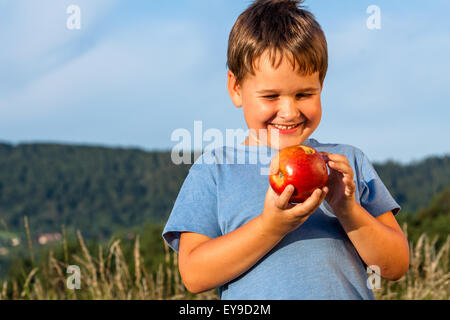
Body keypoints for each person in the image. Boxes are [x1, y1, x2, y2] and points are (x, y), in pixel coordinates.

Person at [162, 0, 409, 299]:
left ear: (322, 86)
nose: (289, 111)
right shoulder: (214, 170)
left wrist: (348, 210)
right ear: (236, 88)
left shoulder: (347, 164)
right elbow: (194, 274)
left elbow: (395, 266)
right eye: (271, 95)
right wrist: (270, 227)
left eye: (305, 94)